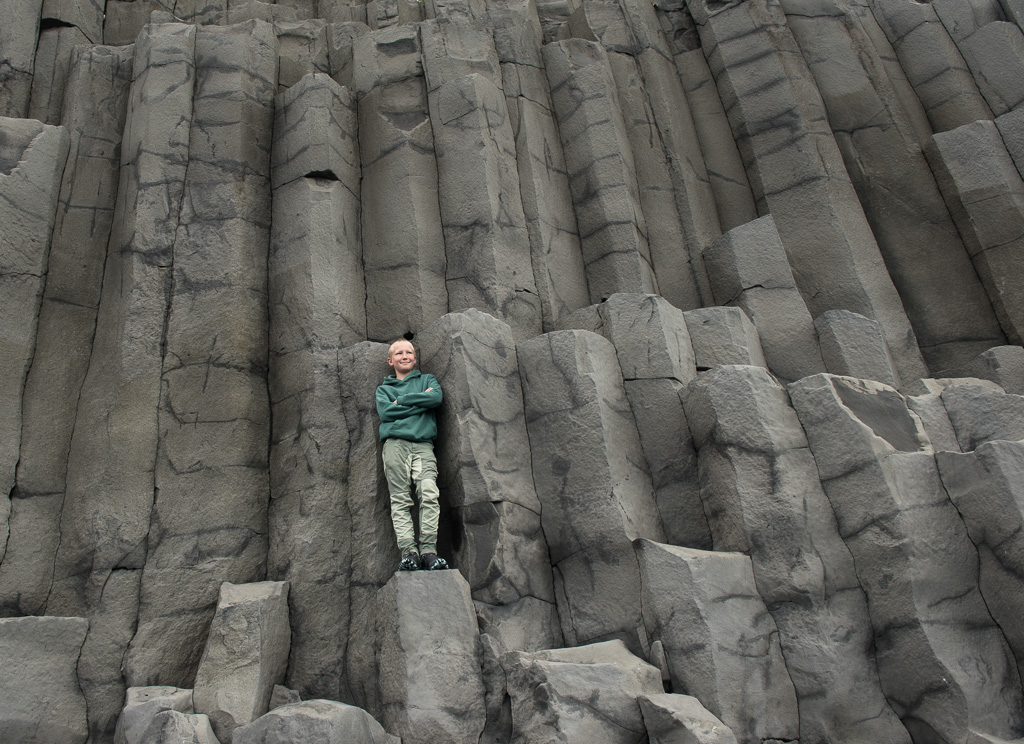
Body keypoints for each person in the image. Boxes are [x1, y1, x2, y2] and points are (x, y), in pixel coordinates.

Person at [375, 338, 449, 571]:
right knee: (400, 499)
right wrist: (421, 402)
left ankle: (428, 552)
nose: (404, 356)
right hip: (395, 446)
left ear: (415, 359)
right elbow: (387, 413)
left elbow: (435, 398)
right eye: (399, 353)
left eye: (409, 352)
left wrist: (403, 401)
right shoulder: (384, 390)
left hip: (423, 446)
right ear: (390, 360)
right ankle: (409, 553)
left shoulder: (427, 380)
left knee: (428, 494)